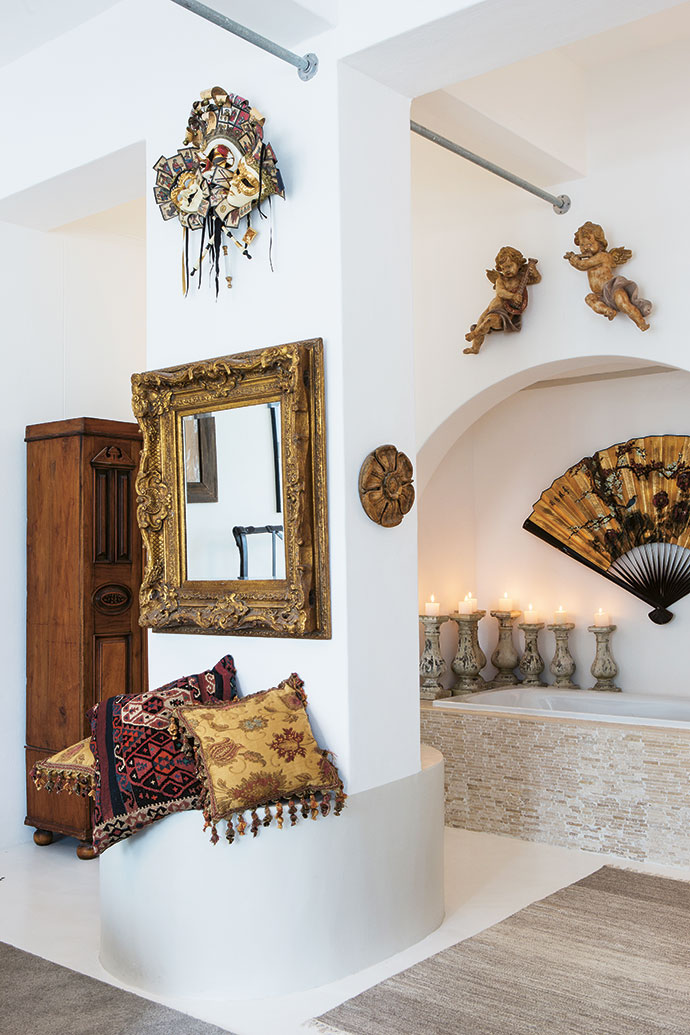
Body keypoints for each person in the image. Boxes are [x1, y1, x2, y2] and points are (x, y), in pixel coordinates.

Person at [564, 221, 651, 331]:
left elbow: (582, 265)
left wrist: (574, 260)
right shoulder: (590, 259)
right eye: (582, 245)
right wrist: (575, 260)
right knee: (590, 299)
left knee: (623, 303)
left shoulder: (603, 256)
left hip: (612, 288)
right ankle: (608, 311)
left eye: (589, 244)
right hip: (600, 295)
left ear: (600, 244)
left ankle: (640, 322)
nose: (585, 248)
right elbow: (582, 265)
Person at [464, 246, 540, 354]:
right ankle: (475, 348)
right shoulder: (501, 279)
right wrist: (513, 296)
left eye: (509, 266)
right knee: (480, 321)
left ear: (518, 264)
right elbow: (500, 292)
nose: (506, 270)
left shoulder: (521, 278)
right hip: (492, 307)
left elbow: (536, 279)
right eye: (503, 268)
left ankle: (474, 334)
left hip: (504, 311)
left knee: (488, 321)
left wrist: (534, 270)